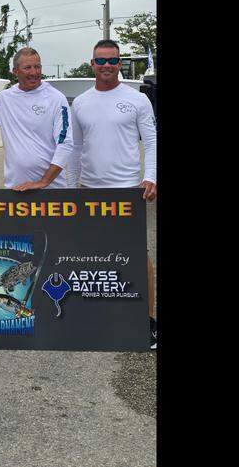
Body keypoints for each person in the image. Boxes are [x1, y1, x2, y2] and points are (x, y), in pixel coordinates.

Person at [69, 39, 159, 349]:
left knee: (138, 256)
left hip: (127, 191)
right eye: (100, 60)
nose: (106, 65)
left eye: (112, 60)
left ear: (120, 63)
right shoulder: (80, 103)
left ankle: (147, 321)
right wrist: (71, 186)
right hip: (89, 190)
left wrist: (150, 177)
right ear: (91, 63)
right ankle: (101, 316)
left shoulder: (137, 100)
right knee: (92, 255)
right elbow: (76, 148)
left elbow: (151, 141)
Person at [0, 47, 74, 191]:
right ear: (15, 71)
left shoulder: (56, 98)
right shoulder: (4, 98)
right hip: (16, 192)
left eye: (37, 67)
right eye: (27, 68)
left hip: (52, 191)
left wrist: (43, 182)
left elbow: (65, 143)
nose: (34, 72)